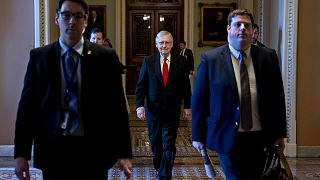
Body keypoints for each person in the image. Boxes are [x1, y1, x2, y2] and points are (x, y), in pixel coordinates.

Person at [14, 0, 132, 180]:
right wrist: (21, 154)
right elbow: (27, 108)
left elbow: (117, 107)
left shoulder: (105, 58)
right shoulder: (40, 57)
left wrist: (123, 152)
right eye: (66, 15)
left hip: (93, 151)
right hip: (54, 150)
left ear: (85, 21)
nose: (72, 21)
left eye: (78, 16)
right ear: (56, 18)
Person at [191, 9, 287, 179]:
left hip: (260, 136)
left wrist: (280, 132)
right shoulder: (211, 59)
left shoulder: (268, 57)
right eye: (238, 25)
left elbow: (277, 97)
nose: (242, 28)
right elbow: (199, 100)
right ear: (228, 28)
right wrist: (197, 135)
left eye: (247, 25)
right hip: (227, 134)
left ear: (252, 31)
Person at [135, 30, 191, 180]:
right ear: (156, 45)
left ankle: (164, 174)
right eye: (161, 43)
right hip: (153, 110)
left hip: (172, 111)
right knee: (156, 144)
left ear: (172, 44)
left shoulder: (181, 61)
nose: (164, 45)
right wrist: (139, 105)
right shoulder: (149, 61)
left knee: (169, 143)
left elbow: (186, 86)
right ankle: (160, 167)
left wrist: (187, 106)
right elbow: (140, 86)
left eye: (167, 42)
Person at [89, 28, 130, 113]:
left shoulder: (110, 55)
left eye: (98, 39)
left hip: (107, 96)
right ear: (89, 39)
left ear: (102, 41)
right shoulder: (83, 55)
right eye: (93, 38)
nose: (95, 41)